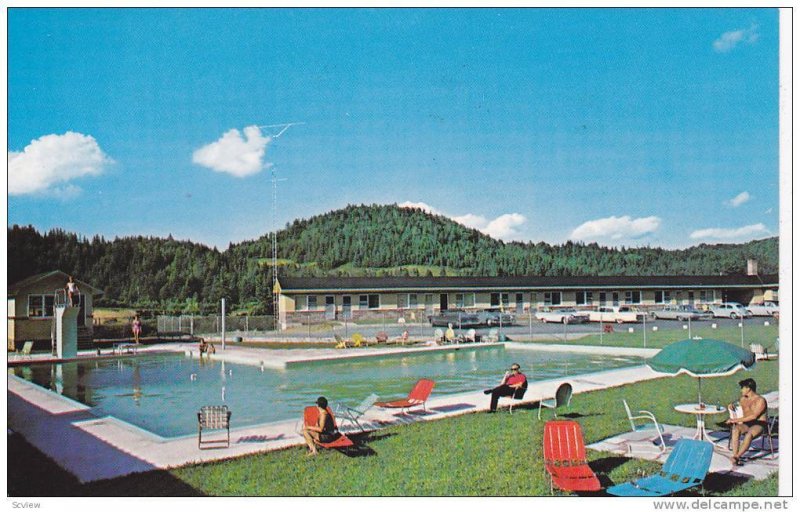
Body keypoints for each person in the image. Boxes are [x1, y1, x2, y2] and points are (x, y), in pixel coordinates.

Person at [726, 378, 768, 466]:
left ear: (748, 388)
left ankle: (736, 457)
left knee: (749, 435)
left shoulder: (760, 400)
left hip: (759, 423)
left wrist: (735, 420)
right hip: (747, 423)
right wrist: (731, 405)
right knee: (735, 429)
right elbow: (736, 405)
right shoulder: (743, 399)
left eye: (742, 388)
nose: (741, 390)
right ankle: (735, 456)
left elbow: (754, 416)